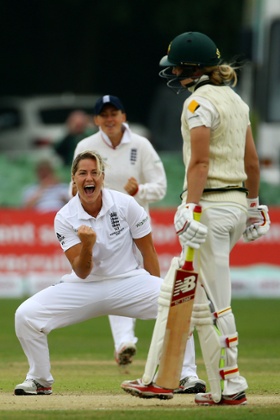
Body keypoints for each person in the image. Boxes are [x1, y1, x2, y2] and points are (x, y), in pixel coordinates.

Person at [121, 32, 271, 405]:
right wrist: (253, 205)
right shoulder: (236, 101)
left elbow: (201, 161)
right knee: (173, 293)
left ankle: (232, 383)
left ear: (190, 68)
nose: (173, 71)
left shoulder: (197, 103)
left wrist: (189, 204)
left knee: (216, 301)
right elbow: (251, 162)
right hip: (233, 206)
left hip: (210, 208)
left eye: (176, 65)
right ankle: (156, 378)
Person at [72, 95, 205, 393]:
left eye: (114, 113)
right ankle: (124, 342)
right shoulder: (86, 148)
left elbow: (160, 185)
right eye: (103, 114)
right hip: (101, 229)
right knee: (113, 283)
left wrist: (140, 189)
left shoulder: (140, 145)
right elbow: (75, 188)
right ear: (96, 120)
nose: (109, 119)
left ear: (123, 115)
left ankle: (184, 370)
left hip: (136, 226)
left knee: (160, 292)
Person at [13, 150, 163, 395]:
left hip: (129, 281)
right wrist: (87, 245)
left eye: (94, 172)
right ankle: (40, 379)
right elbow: (82, 271)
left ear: (102, 177)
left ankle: (185, 375)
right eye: (82, 173)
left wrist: (159, 292)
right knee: (25, 316)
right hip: (85, 286)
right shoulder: (64, 216)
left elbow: (149, 253)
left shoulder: (126, 204)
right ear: (74, 179)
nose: (88, 178)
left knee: (178, 303)